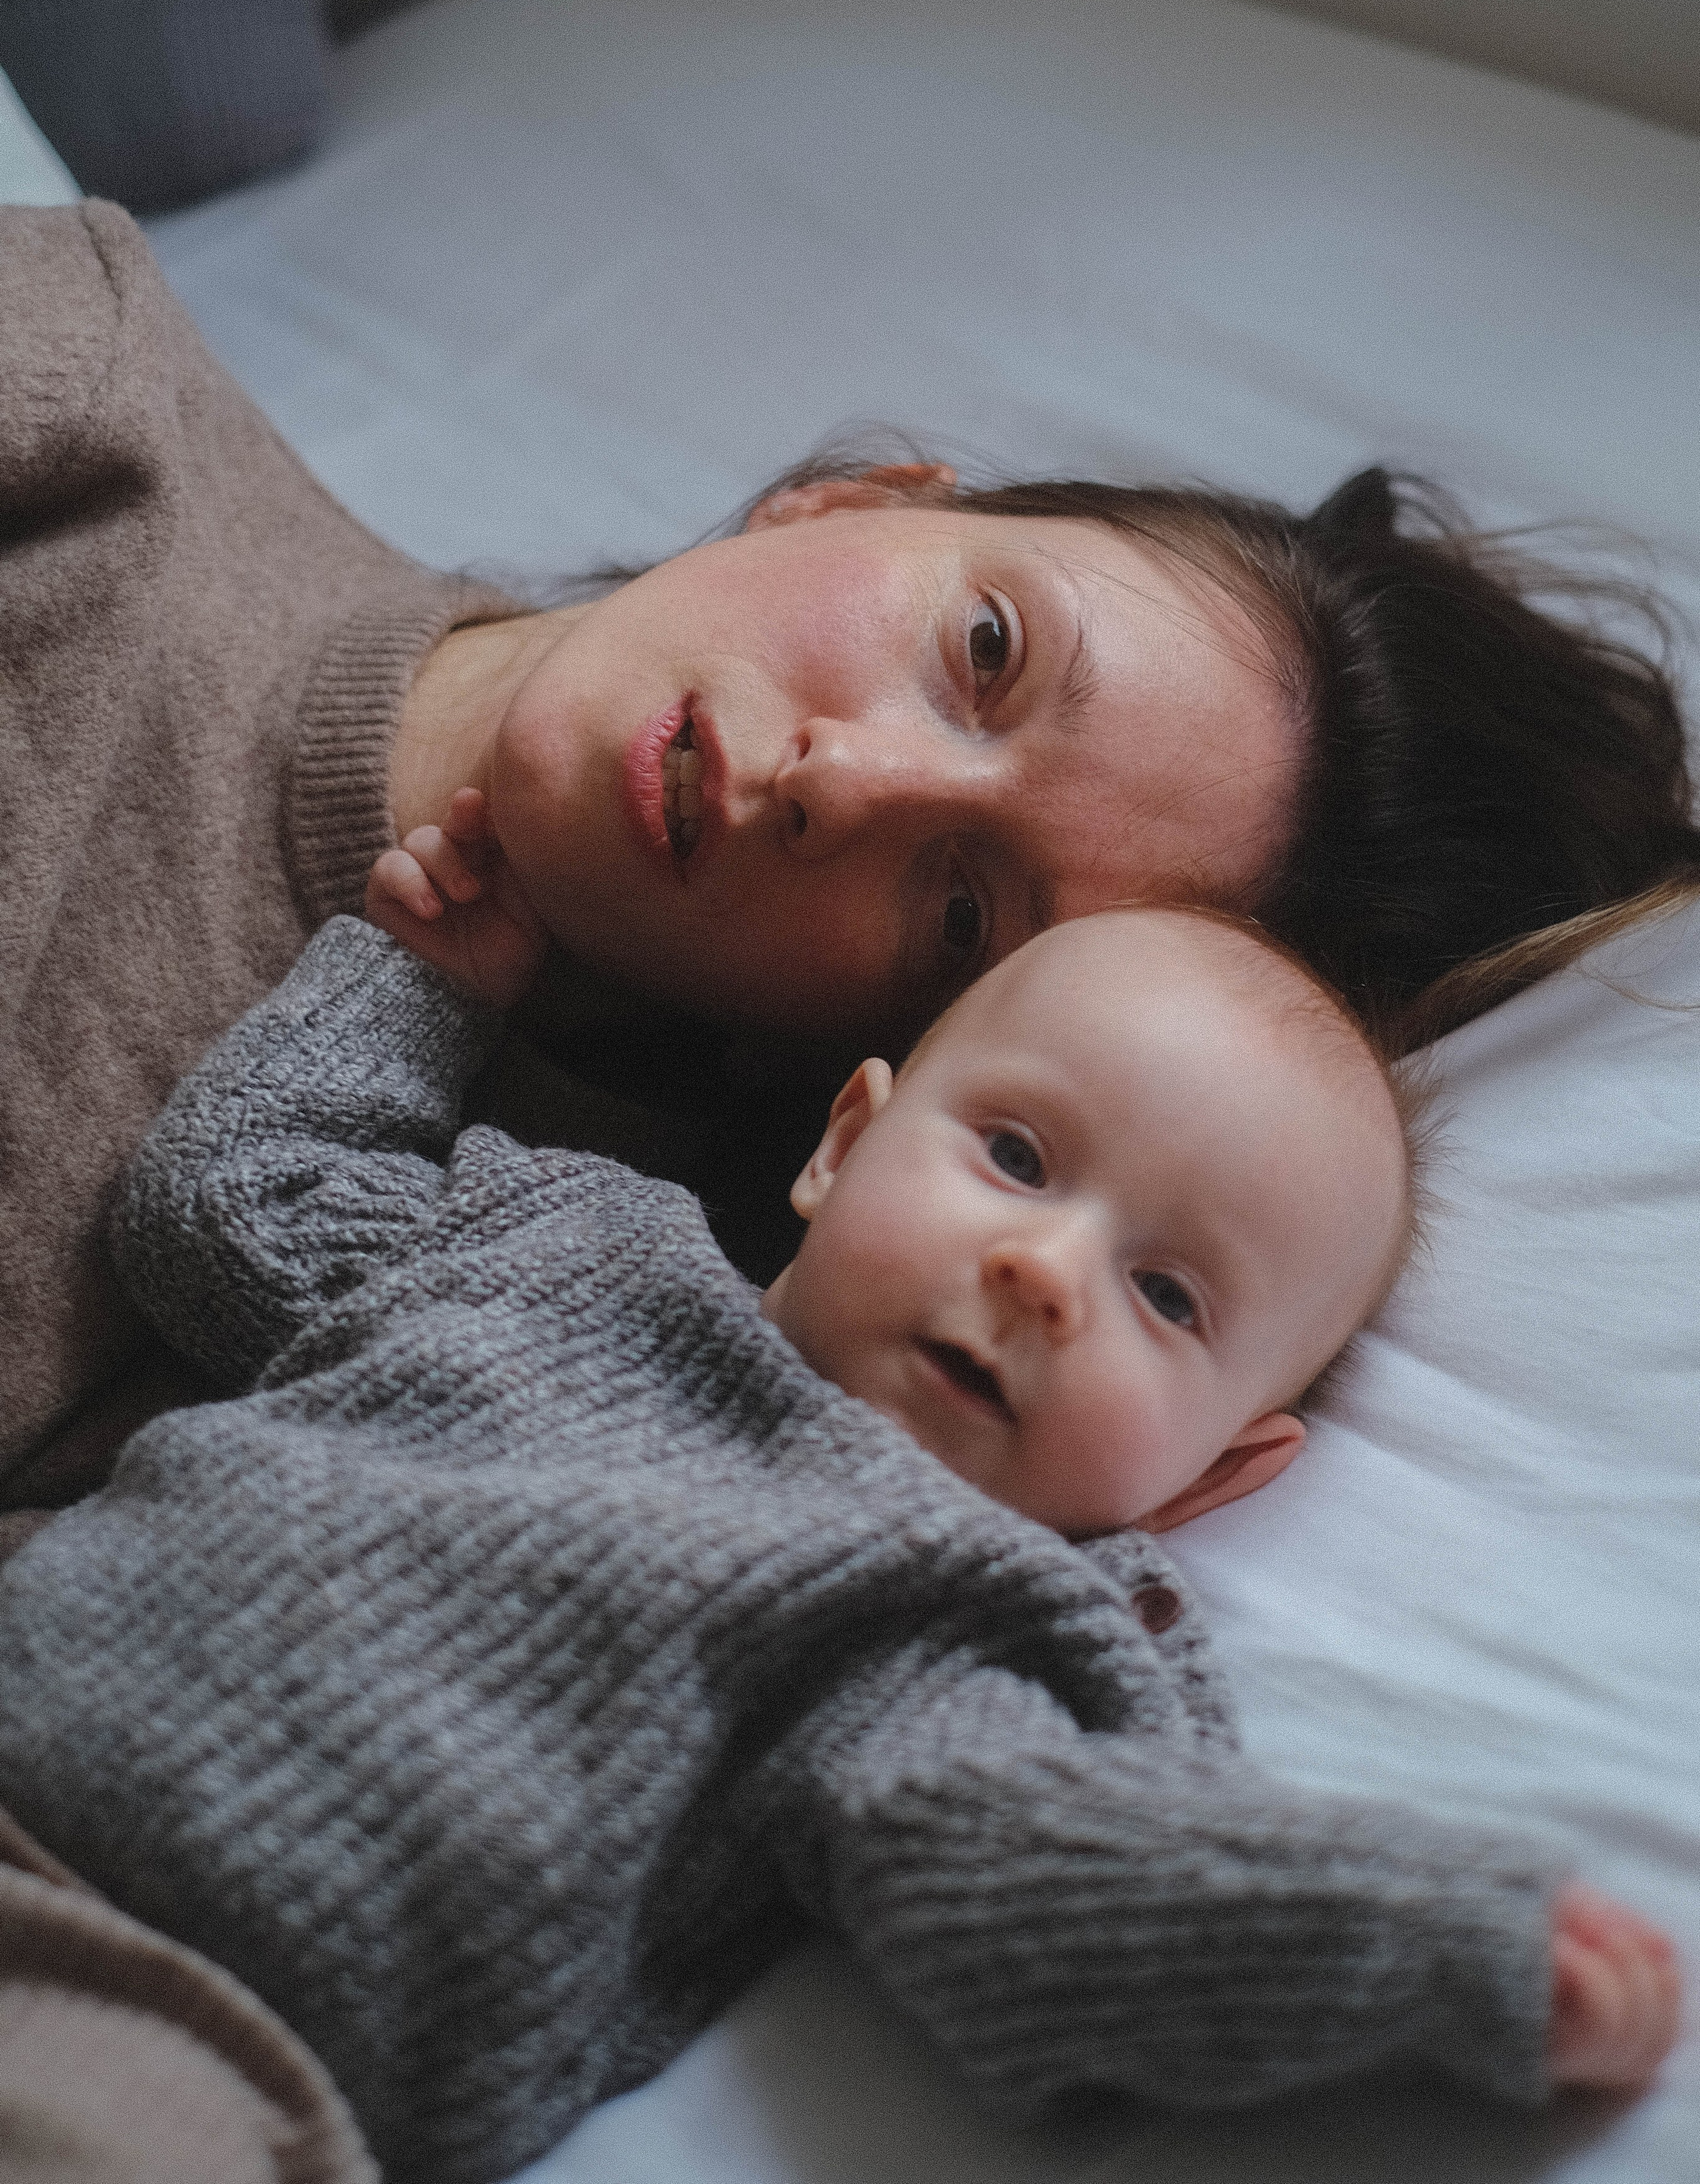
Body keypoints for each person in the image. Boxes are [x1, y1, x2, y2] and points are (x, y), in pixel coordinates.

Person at [6, 199, 1699, 1569]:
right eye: (981, 649)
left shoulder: (578, 1329)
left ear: (873, 1086)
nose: (848, 782)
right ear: (849, 502)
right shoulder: (83, 406)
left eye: (965, 913)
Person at [0, 806, 1677, 2184]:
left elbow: (1037, 1887)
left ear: (1213, 1476)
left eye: (1168, 1301)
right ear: (841, 1145)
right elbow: (232, 1211)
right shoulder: (556, 1241)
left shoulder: (932, 1620)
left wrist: (1446, 1951)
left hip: (186, 2027)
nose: (1039, 1274)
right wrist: (420, 980)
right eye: (1016, 1160)